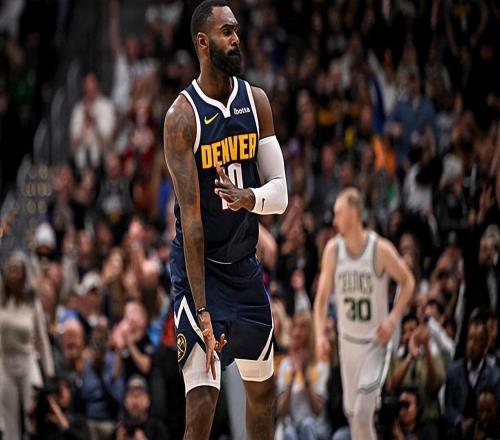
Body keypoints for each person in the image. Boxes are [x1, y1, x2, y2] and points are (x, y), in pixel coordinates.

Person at [163, 1, 288, 439]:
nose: (237, 39)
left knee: (263, 395)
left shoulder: (256, 102)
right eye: (227, 32)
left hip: (243, 268)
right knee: (202, 404)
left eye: (236, 30)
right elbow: (192, 223)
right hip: (199, 272)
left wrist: (249, 197)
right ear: (203, 42)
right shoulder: (182, 117)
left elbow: (280, 194)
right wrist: (202, 311)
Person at [314, 187, 415, 440]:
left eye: (338, 213)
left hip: (374, 344)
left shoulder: (379, 249)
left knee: (361, 415)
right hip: (347, 344)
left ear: (354, 212)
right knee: (354, 420)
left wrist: (393, 318)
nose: (334, 220)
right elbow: (321, 299)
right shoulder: (333, 250)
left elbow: (408, 281)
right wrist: (320, 336)